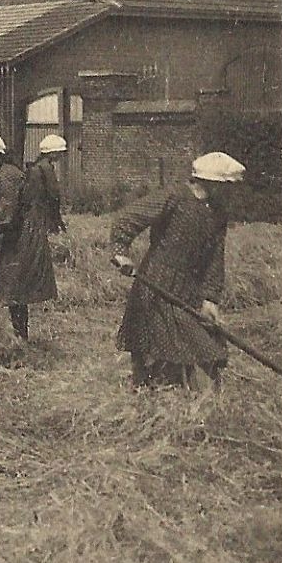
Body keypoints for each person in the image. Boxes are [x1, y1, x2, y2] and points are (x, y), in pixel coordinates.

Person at [110, 152, 245, 390]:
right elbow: (127, 218)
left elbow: (215, 259)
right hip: (156, 286)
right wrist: (121, 251)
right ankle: (145, 396)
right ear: (211, 182)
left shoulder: (217, 213)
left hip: (188, 290)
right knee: (151, 346)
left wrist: (210, 299)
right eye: (229, 187)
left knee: (207, 347)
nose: (232, 193)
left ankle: (196, 404)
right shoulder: (174, 197)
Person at [0, 130, 56, 341]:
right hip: (11, 236)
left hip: (22, 238)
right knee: (11, 289)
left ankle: (20, 337)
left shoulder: (8, 175)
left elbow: (4, 215)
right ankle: (19, 334)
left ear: (1, 153)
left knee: (15, 289)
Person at [34, 135, 70, 235]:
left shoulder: (37, 165)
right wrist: (56, 217)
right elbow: (53, 193)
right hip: (44, 211)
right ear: (52, 153)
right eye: (60, 152)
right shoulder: (46, 167)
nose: (60, 155)